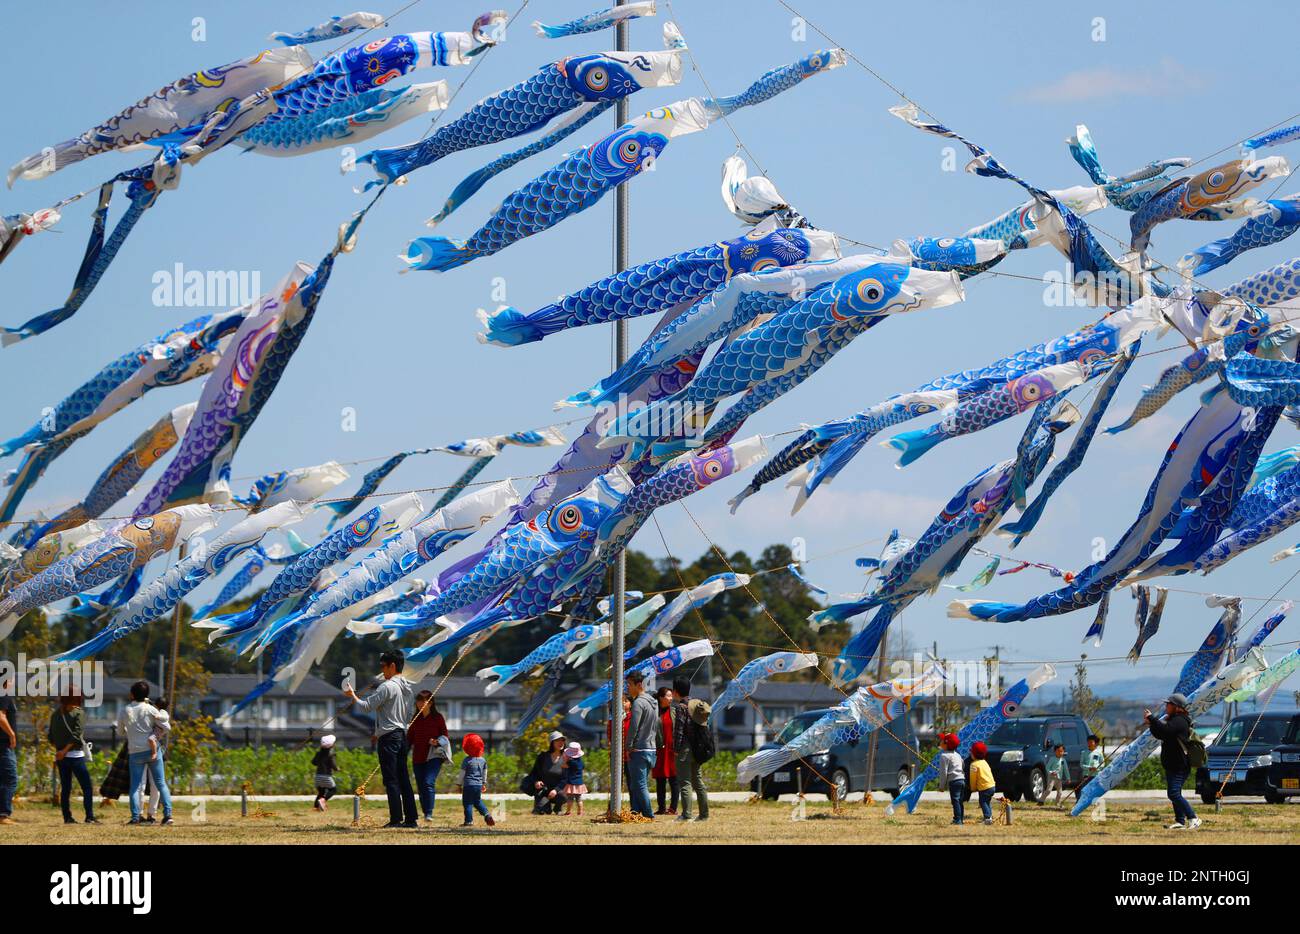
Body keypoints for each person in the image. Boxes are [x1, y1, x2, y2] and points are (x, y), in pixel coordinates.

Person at [344, 650, 417, 828]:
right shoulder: (408, 687)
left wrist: (353, 695)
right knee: (403, 778)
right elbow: (409, 715)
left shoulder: (387, 686)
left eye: (383, 666)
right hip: (402, 735)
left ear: (392, 666)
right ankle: (411, 818)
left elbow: (366, 707)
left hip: (389, 737)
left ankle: (395, 819)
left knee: (391, 779)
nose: (382, 670)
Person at [116, 680, 173, 825]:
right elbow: (164, 722)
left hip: (135, 751)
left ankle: (135, 817)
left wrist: (131, 731)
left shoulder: (125, 710)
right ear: (147, 695)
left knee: (135, 785)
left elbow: (120, 731)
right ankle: (167, 815)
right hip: (152, 749)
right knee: (161, 783)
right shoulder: (150, 709)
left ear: (131, 694)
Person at [1145, 693, 1201, 830]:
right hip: (1172, 764)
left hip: (1180, 765)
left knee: (1174, 793)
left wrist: (1152, 718)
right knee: (1175, 793)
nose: (1166, 706)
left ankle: (1193, 817)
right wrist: (1151, 724)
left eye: (1168, 704)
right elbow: (1160, 733)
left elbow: (1165, 729)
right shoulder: (1174, 719)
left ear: (1177, 707)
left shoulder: (1180, 721)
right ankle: (1180, 821)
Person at [48, 689, 97, 824]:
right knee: (87, 787)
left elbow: (50, 737)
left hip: (61, 758)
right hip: (75, 756)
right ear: (77, 698)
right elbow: (76, 735)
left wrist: (60, 751)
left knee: (66, 788)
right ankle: (89, 816)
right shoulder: (79, 713)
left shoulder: (55, 714)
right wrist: (65, 750)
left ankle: (67, 817)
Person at [672, 677, 710, 822]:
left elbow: (679, 730)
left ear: (675, 692)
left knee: (685, 782)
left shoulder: (681, 708)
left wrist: (676, 749)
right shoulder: (697, 705)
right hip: (698, 748)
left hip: (685, 749)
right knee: (698, 782)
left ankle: (686, 814)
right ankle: (704, 815)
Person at [408, 690, 449, 821]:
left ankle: (429, 813)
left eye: (424, 700)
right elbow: (409, 740)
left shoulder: (438, 718)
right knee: (420, 785)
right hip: (418, 757)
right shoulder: (414, 719)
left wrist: (436, 742)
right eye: (419, 700)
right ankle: (425, 812)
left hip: (434, 756)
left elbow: (445, 737)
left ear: (431, 703)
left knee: (428, 782)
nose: (421, 703)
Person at [626, 670, 657, 819]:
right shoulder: (653, 702)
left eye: (629, 684)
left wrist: (628, 745)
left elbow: (634, 726)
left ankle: (648, 815)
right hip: (651, 748)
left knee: (639, 785)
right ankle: (635, 812)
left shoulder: (638, 702)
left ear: (639, 685)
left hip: (639, 748)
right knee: (636, 784)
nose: (627, 688)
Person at [456, 733, 495, 827]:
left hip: (468, 785)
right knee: (477, 801)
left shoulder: (467, 760)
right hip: (478, 785)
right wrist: (483, 783)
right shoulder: (483, 760)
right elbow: (484, 772)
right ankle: (487, 815)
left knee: (468, 802)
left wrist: (458, 784)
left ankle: (469, 821)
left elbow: (462, 773)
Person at [524, 731, 568, 815]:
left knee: (563, 796)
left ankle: (557, 808)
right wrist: (536, 781)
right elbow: (534, 773)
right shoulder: (543, 756)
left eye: (562, 740)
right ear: (552, 743)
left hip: (558, 792)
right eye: (557, 740)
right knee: (541, 811)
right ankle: (545, 806)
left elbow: (566, 778)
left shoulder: (566, 758)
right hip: (543, 791)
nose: (561, 742)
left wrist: (556, 790)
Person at [142, 702, 171, 822]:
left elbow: (163, 721)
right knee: (158, 784)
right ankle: (154, 813)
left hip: (147, 749)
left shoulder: (157, 713)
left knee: (142, 784)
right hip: (158, 749)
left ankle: (140, 814)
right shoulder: (158, 713)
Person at [653, 686, 679, 815]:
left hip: (672, 750)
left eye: (671, 696)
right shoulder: (654, 712)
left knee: (674, 780)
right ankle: (661, 807)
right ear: (660, 698)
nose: (670, 698)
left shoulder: (674, 711)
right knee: (660, 780)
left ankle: (673, 808)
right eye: (667, 696)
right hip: (659, 750)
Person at [0, 676, 18, 825]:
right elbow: (0, 716)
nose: (13, 682)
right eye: (11, 679)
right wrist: (11, 734)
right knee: (10, 780)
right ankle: (3, 815)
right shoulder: (3, 693)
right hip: (3, 745)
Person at [937, 733, 965, 825]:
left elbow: (943, 773)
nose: (940, 742)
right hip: (962, 780)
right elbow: (963, 765)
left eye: (942, 740)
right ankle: (960, 818)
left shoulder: (944, 756)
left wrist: (942, 786)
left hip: (954, 781)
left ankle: (957, 820)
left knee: (955, 801)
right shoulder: (957, 755)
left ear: (945, 744)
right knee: (960, 801)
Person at [969, 741, 996, 825]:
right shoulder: (985, 762)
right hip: (991, 785)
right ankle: (990, 817)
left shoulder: (974, 765)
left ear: (974, 754)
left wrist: (973, 788)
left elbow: (973, 779)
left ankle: (987, 818)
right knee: (987, 802)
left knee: (983, 802)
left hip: (984, 787)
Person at [312, 734, 338, 811]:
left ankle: (316, 807)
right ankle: (323, 800)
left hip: (318, 777)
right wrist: (337, 769)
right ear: (331, 745)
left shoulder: (318, 753)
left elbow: (314, 762)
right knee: (333, 790)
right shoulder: (330, 754)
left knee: (321, 792)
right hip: (326, 776)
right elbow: (333, 765)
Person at [561, 742, 587, 816]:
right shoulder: (581, 762)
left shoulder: (571, 762)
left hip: (571, 783)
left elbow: (563, 766)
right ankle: (580, 812)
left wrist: (565, 759)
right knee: (579, 799)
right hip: (579, 783)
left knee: (570, 799)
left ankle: (568, 812)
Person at [1043, 742, 1069, 807]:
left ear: (1063, 752)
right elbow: (1047, 767)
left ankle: (1057, 803)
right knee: (1049, 790)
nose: (1060, 753)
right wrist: (1051, 772)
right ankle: (1041, 800)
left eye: (1061, 751)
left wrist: (1068, 778)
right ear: (1055, 751)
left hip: (1059, 778)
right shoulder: (1052, 759)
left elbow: (1066, 770)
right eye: (1058, 751)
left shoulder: (1063, 760)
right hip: (1052, 778)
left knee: (1060, 792)